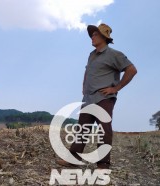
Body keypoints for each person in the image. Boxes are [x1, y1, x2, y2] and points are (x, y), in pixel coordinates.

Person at [56, 23, 137, 169]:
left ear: (104, 37)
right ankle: (73, 160)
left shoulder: (114, 54)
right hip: (88, 98)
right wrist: (83, 86)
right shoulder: (91, 55)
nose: (92, 37)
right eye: (92, 34)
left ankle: (103, 164)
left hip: (104, 98)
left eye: (95, 34)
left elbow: (131, 70)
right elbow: (88, 72)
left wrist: (116, 88)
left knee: (103, 130)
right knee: (82, 129)